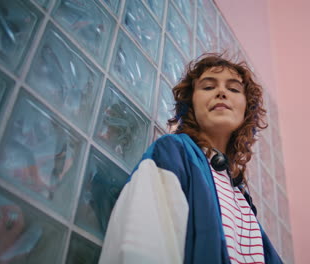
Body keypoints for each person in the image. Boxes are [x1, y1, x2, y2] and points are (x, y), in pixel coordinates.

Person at [99, 54, 283, 264]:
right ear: (190, 104)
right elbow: (140, 247)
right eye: (208, 87)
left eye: (233, 89)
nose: (221, 92)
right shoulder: (172, 153)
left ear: (246, 110)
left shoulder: (240, 196)